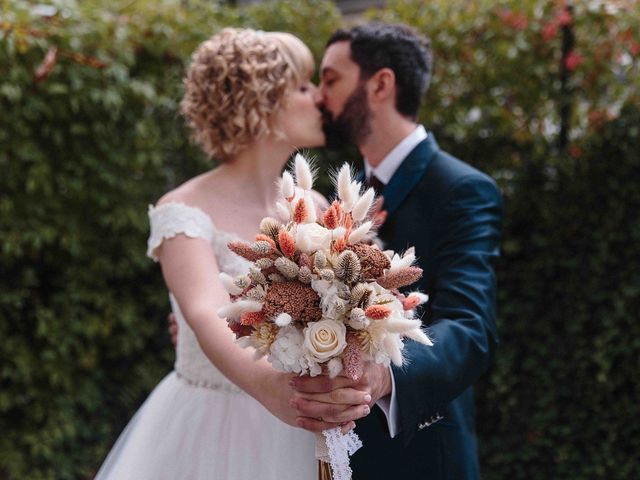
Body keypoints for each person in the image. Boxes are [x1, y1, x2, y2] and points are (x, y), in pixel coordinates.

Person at [95, 28, 370, 480]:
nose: (319, 97)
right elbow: (205, 313)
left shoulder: (318, 207)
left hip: (301, 429)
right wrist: (270, 387)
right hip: (207, 429)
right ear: (261, 102)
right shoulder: (182, 211)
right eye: (303, 86)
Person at [288, 23, 504, 479]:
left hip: (420, 457)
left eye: (331, 79)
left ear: (380, 84)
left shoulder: (462, 189)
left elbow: (470, 328)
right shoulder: (342, 197)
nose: (321, 97)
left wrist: (386, 376)